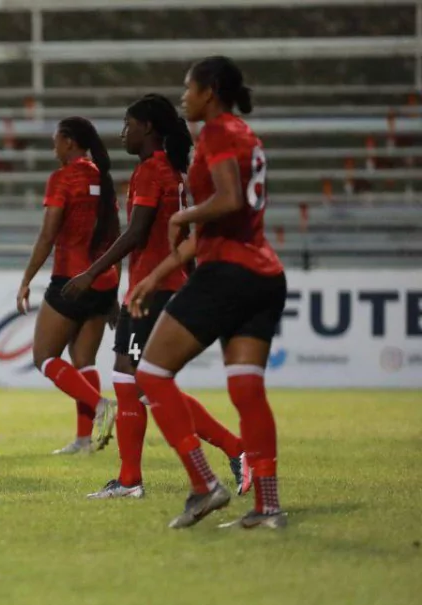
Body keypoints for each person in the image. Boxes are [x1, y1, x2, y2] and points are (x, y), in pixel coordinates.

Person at [62, 95, 252, 500]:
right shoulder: (175, 171)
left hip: (154, 288)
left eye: (128, 123)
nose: (122, 132)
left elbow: (137, 233)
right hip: (156, 287)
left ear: (147, 127)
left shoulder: (152, 172)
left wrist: (92, 273)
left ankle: (233, 450)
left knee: (143, 383)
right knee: (133, 381)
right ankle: (131, 478)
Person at [129, 56, 287, 529]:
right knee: (246, 389)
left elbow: (228, 198)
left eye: (189, 89)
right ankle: (267, 508)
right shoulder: (245, 135)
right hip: (263, 272)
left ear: (211, 91)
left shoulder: (218, 133)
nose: (184, 97)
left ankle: (204, 485)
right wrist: (155, 277)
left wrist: (181, 216)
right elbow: (224, 219)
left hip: (228, 274)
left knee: (152, 374)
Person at [15, 117, 119, 455]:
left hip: (71, 280)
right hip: (104, 279)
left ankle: (100, 405)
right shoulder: (102, 178)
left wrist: (27, 278)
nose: (53, 147)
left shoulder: (63, 178)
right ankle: (84, 440)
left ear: (70, 142)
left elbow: (48, 235)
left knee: (45, 357)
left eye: (56, 140)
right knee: (83, 359)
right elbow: (115, 234)